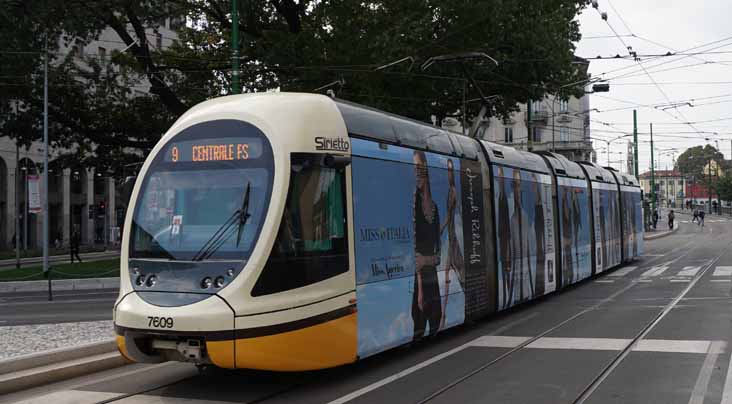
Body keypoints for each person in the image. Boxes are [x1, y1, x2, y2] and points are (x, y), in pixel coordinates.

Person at [411, 151, 442, 340]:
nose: (417, 173)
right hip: (419, 282)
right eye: (414, 169)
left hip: (433, 279)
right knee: (420, 323)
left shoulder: (434, 207)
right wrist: (420, 291)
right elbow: (415, 256)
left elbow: (437, 255)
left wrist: (427, 259)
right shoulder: (412, 204)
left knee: (436, 321)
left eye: (420, 168)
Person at [439, 159, 465, 330]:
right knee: (448, 271)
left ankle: (445, 314)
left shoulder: (453, 191)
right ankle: (443, 315)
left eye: (450, 171)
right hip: (450, 235)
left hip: (453, 236)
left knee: (456, 271)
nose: (448, 174)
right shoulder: (450, 190)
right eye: (446, 171)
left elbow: (449, 215)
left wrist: (440, 229)